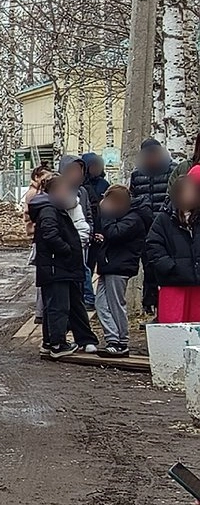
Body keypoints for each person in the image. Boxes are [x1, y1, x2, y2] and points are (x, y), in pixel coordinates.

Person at [30, 172, 100, 358]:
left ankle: (60, 341)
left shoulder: (56, 208)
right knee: (58, 307)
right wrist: (67, 249)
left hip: (65, 267)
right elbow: (50, 235)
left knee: (72, 304)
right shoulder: (48, 210)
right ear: (53, 192)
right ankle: (56, 344)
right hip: (56, 266)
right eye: (63, 189)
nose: (67, 192)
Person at [92, 185, 145, 357]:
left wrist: (106, 216)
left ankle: (121, 341)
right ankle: (112, 338)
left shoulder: (133, 218)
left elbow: (115, 234)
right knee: (100, 303)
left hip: (119, 267)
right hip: (109, 265)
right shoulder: (123, 217)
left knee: (116, 304)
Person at [145, 167, 200, 323]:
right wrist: (169, 266)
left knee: (196, 328)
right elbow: (153, 245)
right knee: (172, 325)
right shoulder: (165, 218)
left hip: (198, 284)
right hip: (173, 283)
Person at [131, 138, 177, 315]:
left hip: (168, 228)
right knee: (149, 266)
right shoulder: (137, 174)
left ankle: (165, 308)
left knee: (166, 266)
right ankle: (149, 303)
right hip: (145, 229)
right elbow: (133, 197)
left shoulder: (172, 171)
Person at [59, 154, 97, 313]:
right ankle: (83, 298)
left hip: (82, 238)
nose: (76, 174)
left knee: (84, 268)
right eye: (73, 170)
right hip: (67, 239)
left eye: (79, 170)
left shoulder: (83, 191)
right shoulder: (59, 190)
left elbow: (89, 212)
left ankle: (86, 298)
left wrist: (89, 231)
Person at [23, 167, 52, 323]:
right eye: (45, 178)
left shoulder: (38, 192)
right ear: (37, 177)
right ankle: (40, 312)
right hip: (38, 236)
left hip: (38, 234)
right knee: (43, 276)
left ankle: (40, 311)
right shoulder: (35, 195)